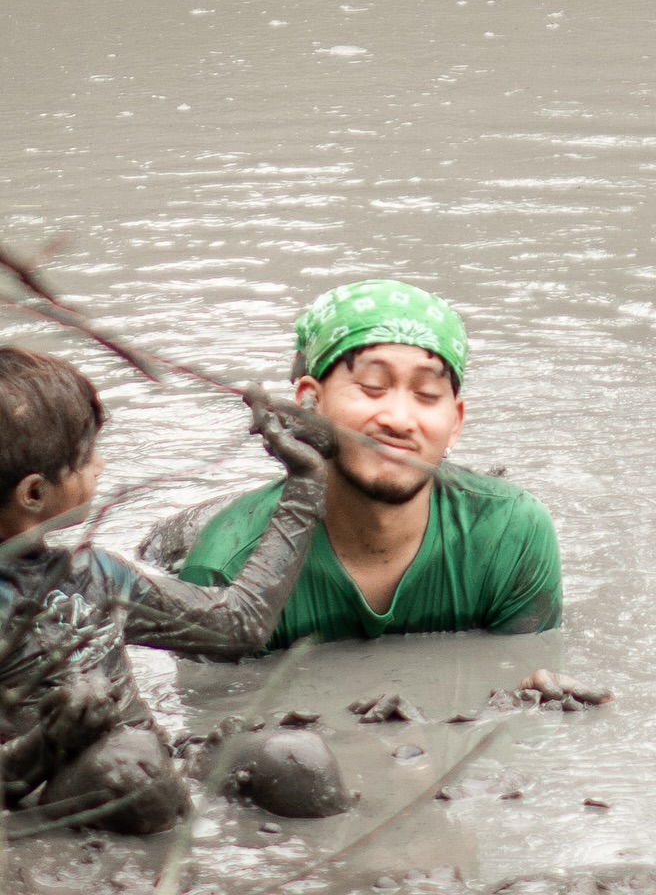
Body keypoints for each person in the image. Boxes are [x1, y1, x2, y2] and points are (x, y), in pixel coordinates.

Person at [0, 347, 327, 834]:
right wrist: (49, 742)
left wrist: (306, 484)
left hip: (154, 770)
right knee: (127, 764)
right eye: (86, 455)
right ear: (34, 494)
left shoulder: (98, 575)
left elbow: (237, 625)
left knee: (299, 760)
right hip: (60, 799)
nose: (102, 465)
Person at [172, 280, 562, 645]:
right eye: (372, 388)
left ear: (455, 422)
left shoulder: (511, 537)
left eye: (426, 394)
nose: (399, 419)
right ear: (311, 401)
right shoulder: (224, 570)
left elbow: (525, 684)